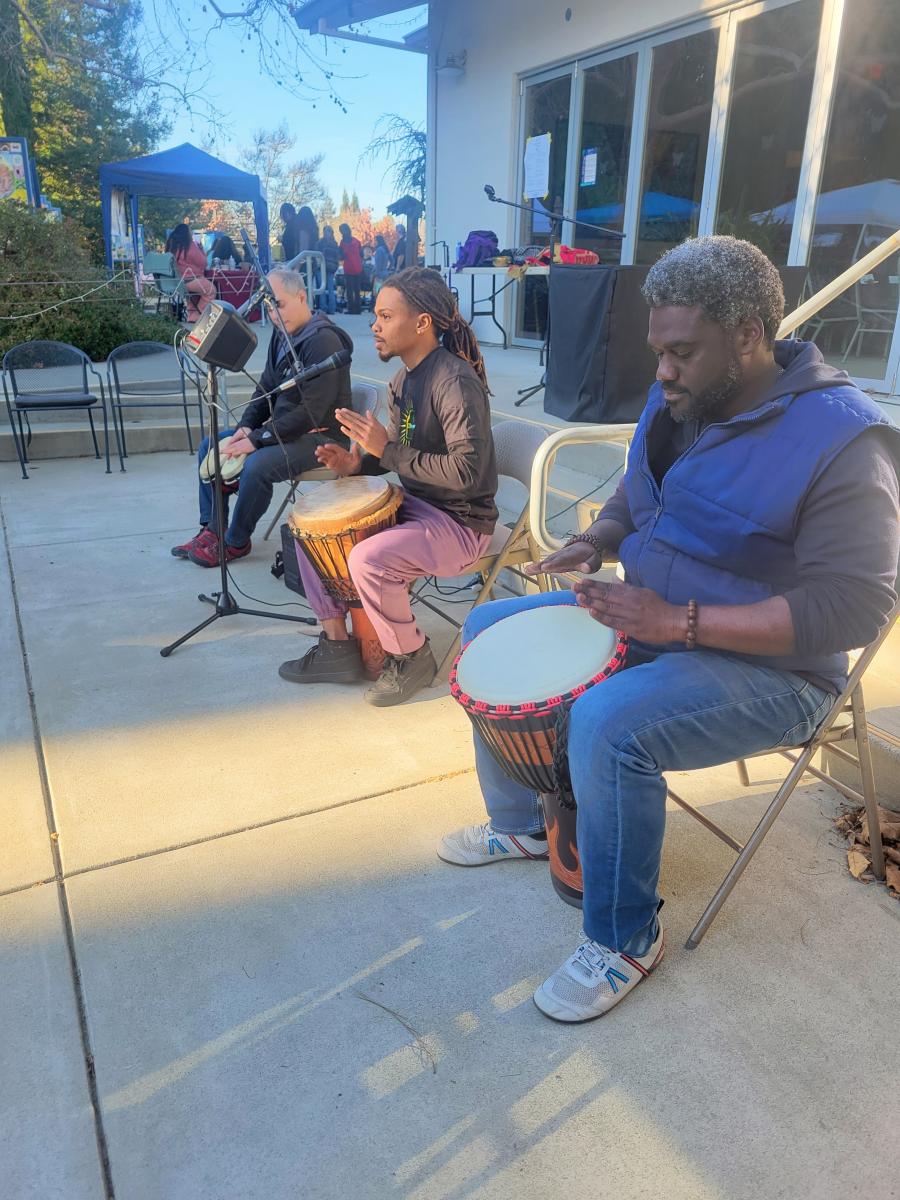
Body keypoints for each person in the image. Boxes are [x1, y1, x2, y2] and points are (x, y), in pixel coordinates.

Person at [438, 235, 900, 1024]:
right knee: (487, 624)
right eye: (657, 350)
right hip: (650, 617)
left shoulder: (845, 441)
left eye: (681, 352)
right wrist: (601, 539)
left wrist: (678, 619)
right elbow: (635, 493)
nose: (662, 371)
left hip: (778, 672)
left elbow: (857, 607)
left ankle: (623, 940)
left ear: (749, 334)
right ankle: (519, 823)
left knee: (608, 723)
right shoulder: (682, 394)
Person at [278, 266, 499, 707]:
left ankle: (411, 655)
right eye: (375, 316)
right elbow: (400, 454)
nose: (374, 326)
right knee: (305, 532)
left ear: (422, 323)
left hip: (462, 525)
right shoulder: (403, 380)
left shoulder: (453, 381)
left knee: (368, 558)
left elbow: (466, 473)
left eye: (385, 316)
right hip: (417, 506)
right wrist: (358, 463)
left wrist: (386, 450)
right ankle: (336, 645)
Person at [171, 268, 353, 567]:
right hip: (287, 431)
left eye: (278, 304)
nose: (273, 312)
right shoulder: (282, 335)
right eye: (268, 306)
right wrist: (246, 428)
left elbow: (312, 413)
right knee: (210, 445)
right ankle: (213, 530)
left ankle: (235, 542)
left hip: (322, 437)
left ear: (301, 296)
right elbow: (266, 389)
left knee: (257, 465)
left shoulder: (324, 341)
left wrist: (257, 440)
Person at [165, 223, 215, 322]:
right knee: (211, 290)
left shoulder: (171, 246)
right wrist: (201, 249)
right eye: (190, 231)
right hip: (190, 280)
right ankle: (197, 315)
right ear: (186, 234)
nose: (191, 233)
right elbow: (203, 263)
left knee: (194, 295)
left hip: (176, 282)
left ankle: (191, 316)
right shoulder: (189, 246)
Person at [339, 222, 363, 315]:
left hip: (349, 268)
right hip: (357, 267)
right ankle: (358, 309)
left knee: (349, 290)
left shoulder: (342, 243)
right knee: (357, 290)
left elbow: (341, 257)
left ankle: (351, 309)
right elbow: (361, 255)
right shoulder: (357, 242)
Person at [317, 225, 340, 314]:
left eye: (328, 232)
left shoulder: (332, 244)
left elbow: (337, 257)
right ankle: (326, 308)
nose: (327, 234)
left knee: (329, 288)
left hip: (328, 268)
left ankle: (329, 308)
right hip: (324, 267)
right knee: (323, 288)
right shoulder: (324, 243)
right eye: (326, 231)